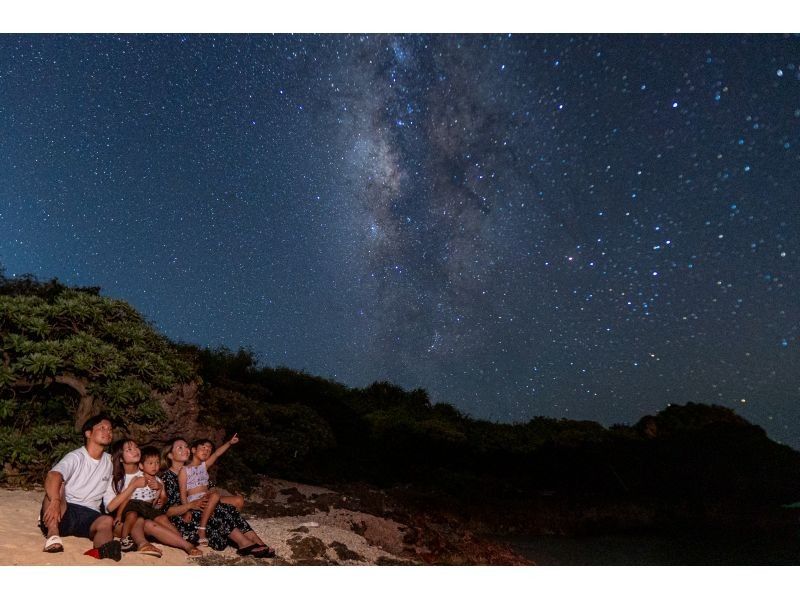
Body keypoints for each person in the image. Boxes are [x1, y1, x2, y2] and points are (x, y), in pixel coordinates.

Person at [162, 438, 275, 558]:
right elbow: (167, 510)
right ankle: (243, 543)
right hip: (186, 519)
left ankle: (257, 542)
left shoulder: (195, 468)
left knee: (228, 508)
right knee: (219, 511)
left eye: (186, 446)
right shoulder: (167, 477)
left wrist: (210, 495)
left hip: (202, 506)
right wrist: (189, 507)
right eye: (180, 447)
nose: (185, 449)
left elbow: (209, 487)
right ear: (169, 455)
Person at [39, 413, 120, 560]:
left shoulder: (110, 461)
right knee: (58, 486)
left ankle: (103, 550)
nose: (108, 432)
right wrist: (56, 501)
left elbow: (109, 501)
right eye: (102, 428)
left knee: (106, 521)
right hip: (65, 512)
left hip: (90, 516)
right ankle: (52, 535)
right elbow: (53, 475)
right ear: (88, 433)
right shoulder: (76, 457)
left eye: (110, 429)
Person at [103, 438, 202, 558]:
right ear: (121, 458)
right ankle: (143, 544)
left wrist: (160, 489)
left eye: (136, 447)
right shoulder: (116, 479)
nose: (135, 450)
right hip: (123, 522)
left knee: (158, 519)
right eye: (129, 449)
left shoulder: (148, 473)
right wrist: (133, 486)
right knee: (143, 521)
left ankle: (185, 543)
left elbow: (156, 505)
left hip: (146, 514)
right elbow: (110, 507)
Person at [179, 435, 245, 545]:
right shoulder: (184, 470)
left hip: (209, 499)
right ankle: (201, 530)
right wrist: (187, 511)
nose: (206, 450)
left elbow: (217, 453)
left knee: (239, 500)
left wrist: (229, 443)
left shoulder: (204, 466)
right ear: (193, 450)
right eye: (203, 447)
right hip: (196, 501)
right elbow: (182, 493)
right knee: (215, 495)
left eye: (209, 449)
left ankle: (231, 528)